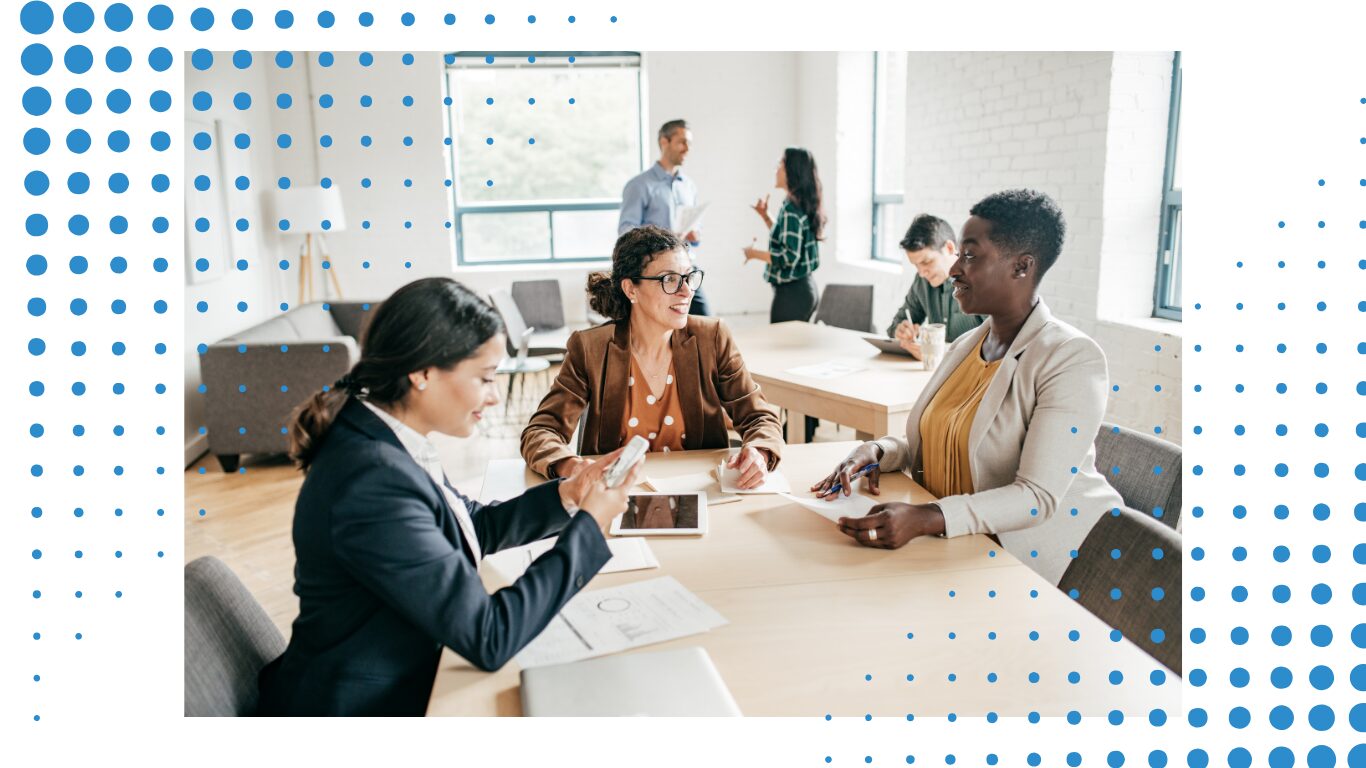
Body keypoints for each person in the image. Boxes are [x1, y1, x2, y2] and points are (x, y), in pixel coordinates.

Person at [257, 278, 642, 716]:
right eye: (484, 377)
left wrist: (570, 496)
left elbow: (463, 526)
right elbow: (489, 637)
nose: (495, 396)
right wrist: (589, 526)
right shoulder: (372, 481)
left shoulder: (386, 435)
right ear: (422, 372)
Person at [812, 190, 1125, 586]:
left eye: (970, 256)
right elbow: (938, 442)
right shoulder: (965, 345)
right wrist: (876, 450)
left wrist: (928, 517)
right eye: (958, 255)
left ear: (1021, 267)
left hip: (1036, 567)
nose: (955, 269)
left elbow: (1036, 497)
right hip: (958, 548)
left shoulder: (1070, 357)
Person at [522, 226, 783, 488]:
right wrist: (573, 466)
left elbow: (760, 417)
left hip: (702, 494)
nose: (686, 291)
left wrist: (760, 452)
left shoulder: (712, 337)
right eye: (669, 279)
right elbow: (541, 431)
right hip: (616, 498)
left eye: (689, 277)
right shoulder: (591, 348)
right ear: (631, 289)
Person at [618, 119, 711, 316]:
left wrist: (695, 234)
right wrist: (661, 237)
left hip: (686, 268)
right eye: (682, 142)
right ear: (664, 142)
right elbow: (626, 230)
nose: (687, 149)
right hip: (657, 274)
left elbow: (697, 228)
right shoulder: (639, 185)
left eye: (690, 143)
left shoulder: (689, 186)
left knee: (705, 323)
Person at [885, 213, 985, 358]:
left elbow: (1000, 345)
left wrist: (943, 353)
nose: (921, 273)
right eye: (916, 265)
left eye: (926, 262)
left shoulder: (982, 283)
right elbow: (895, 325)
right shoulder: (922, 281)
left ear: (950, 248)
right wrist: (900, 331)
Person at [744, 148, 824, 324]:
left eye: (780, 164)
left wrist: (753, 254)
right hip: (804, 289)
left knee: (781, 349)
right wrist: (765, 216)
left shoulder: (790, 209)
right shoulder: (797, 203)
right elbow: (787, 238)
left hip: (792, 294)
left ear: (791, 171)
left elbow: (788, 257)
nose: (776, 169)